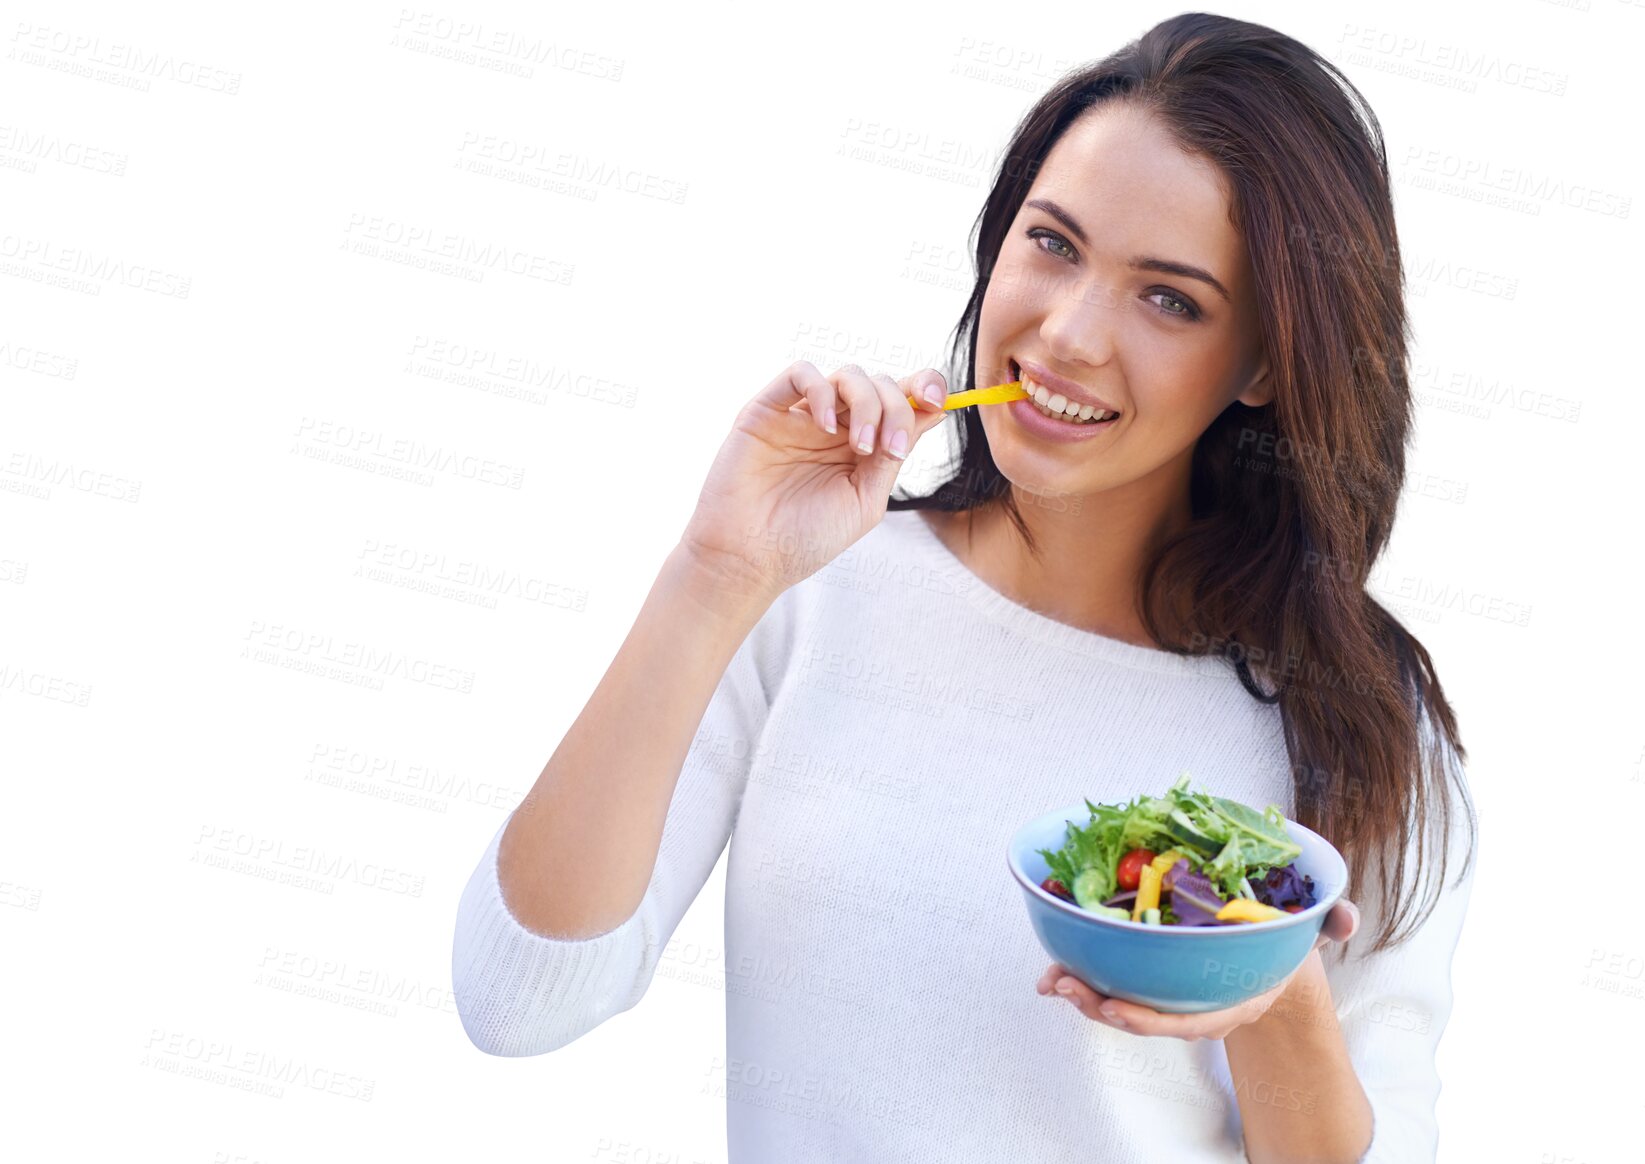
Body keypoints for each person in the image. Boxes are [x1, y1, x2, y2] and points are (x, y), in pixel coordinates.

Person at [451, 13, 1478, 1163]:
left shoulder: (1357, 723)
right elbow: (519, 999)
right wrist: (714, 575)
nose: (1070, 333)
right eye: (1052, 244)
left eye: (1170, 299)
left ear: (1265, 364)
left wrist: (1271, 986)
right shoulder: (810, 593)